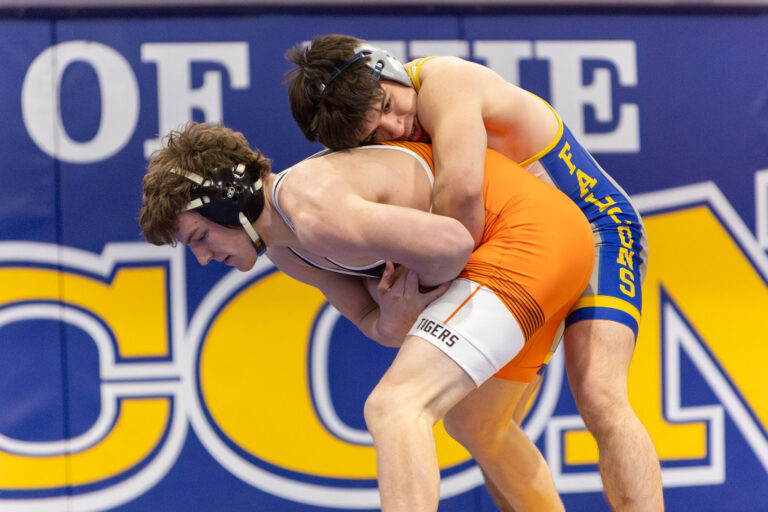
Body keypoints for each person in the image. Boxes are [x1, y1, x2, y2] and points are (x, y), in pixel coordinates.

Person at [285, 34, 663, 512]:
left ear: (389, 67)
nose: (396, 128)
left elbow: (461, 199)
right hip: (517, 246)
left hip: (598, 226)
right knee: (479, 425)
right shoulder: (400, 115)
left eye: (388, 105)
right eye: (374, 134)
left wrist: (426, 288)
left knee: (598, 393)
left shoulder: (446, 82)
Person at [139, 122, 595, 511]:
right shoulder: (288, 251)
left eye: (199, 237)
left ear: (228, 199)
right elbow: (373, 322)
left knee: (395, 407)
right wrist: (400, 314)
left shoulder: (311, 206)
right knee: (476, 426)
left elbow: (454, 243)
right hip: (548, 238)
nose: (202, 257)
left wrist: (421, 288)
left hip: (526, 235)